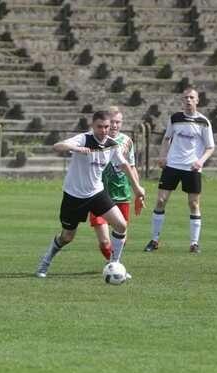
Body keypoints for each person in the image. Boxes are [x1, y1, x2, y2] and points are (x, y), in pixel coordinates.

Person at [35, 110, 146, 278]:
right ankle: (45, 261)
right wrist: (77, 148)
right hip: (74, 196)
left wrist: (137, 188)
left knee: (121, 225)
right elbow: (57, 146)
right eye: (100, 127)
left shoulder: (111, 144)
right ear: (93, 126)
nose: (104, 130)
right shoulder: (84, 139)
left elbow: (124, 165)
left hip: (96, 193)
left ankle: (115, 264)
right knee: (67, 237)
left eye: (106, 126)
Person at [143, 87, 215, 254]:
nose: (188, 100)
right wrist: (163, 156)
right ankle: (154, 240)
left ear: (197, 101)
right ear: (182, 100)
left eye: (191, 97)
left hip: (192, 168)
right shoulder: (175, 118)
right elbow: (167, 138)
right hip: (172, 166)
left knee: (193, 203)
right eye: (185, 97)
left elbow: (210, 147)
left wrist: (200, 161)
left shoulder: (203, 122)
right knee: (160, 201)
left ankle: (194, 243)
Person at [88, 107, 143, 277]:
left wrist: (138, 192)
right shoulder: (94, 140)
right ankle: (114, 265)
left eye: (118, 122)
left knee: (121, 236)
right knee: (105, 242)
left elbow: (131, 167)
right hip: (98, 194)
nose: (114, 125)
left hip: (121, 194)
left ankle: (114, 266)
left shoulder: (127, 141)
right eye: (111, 122)